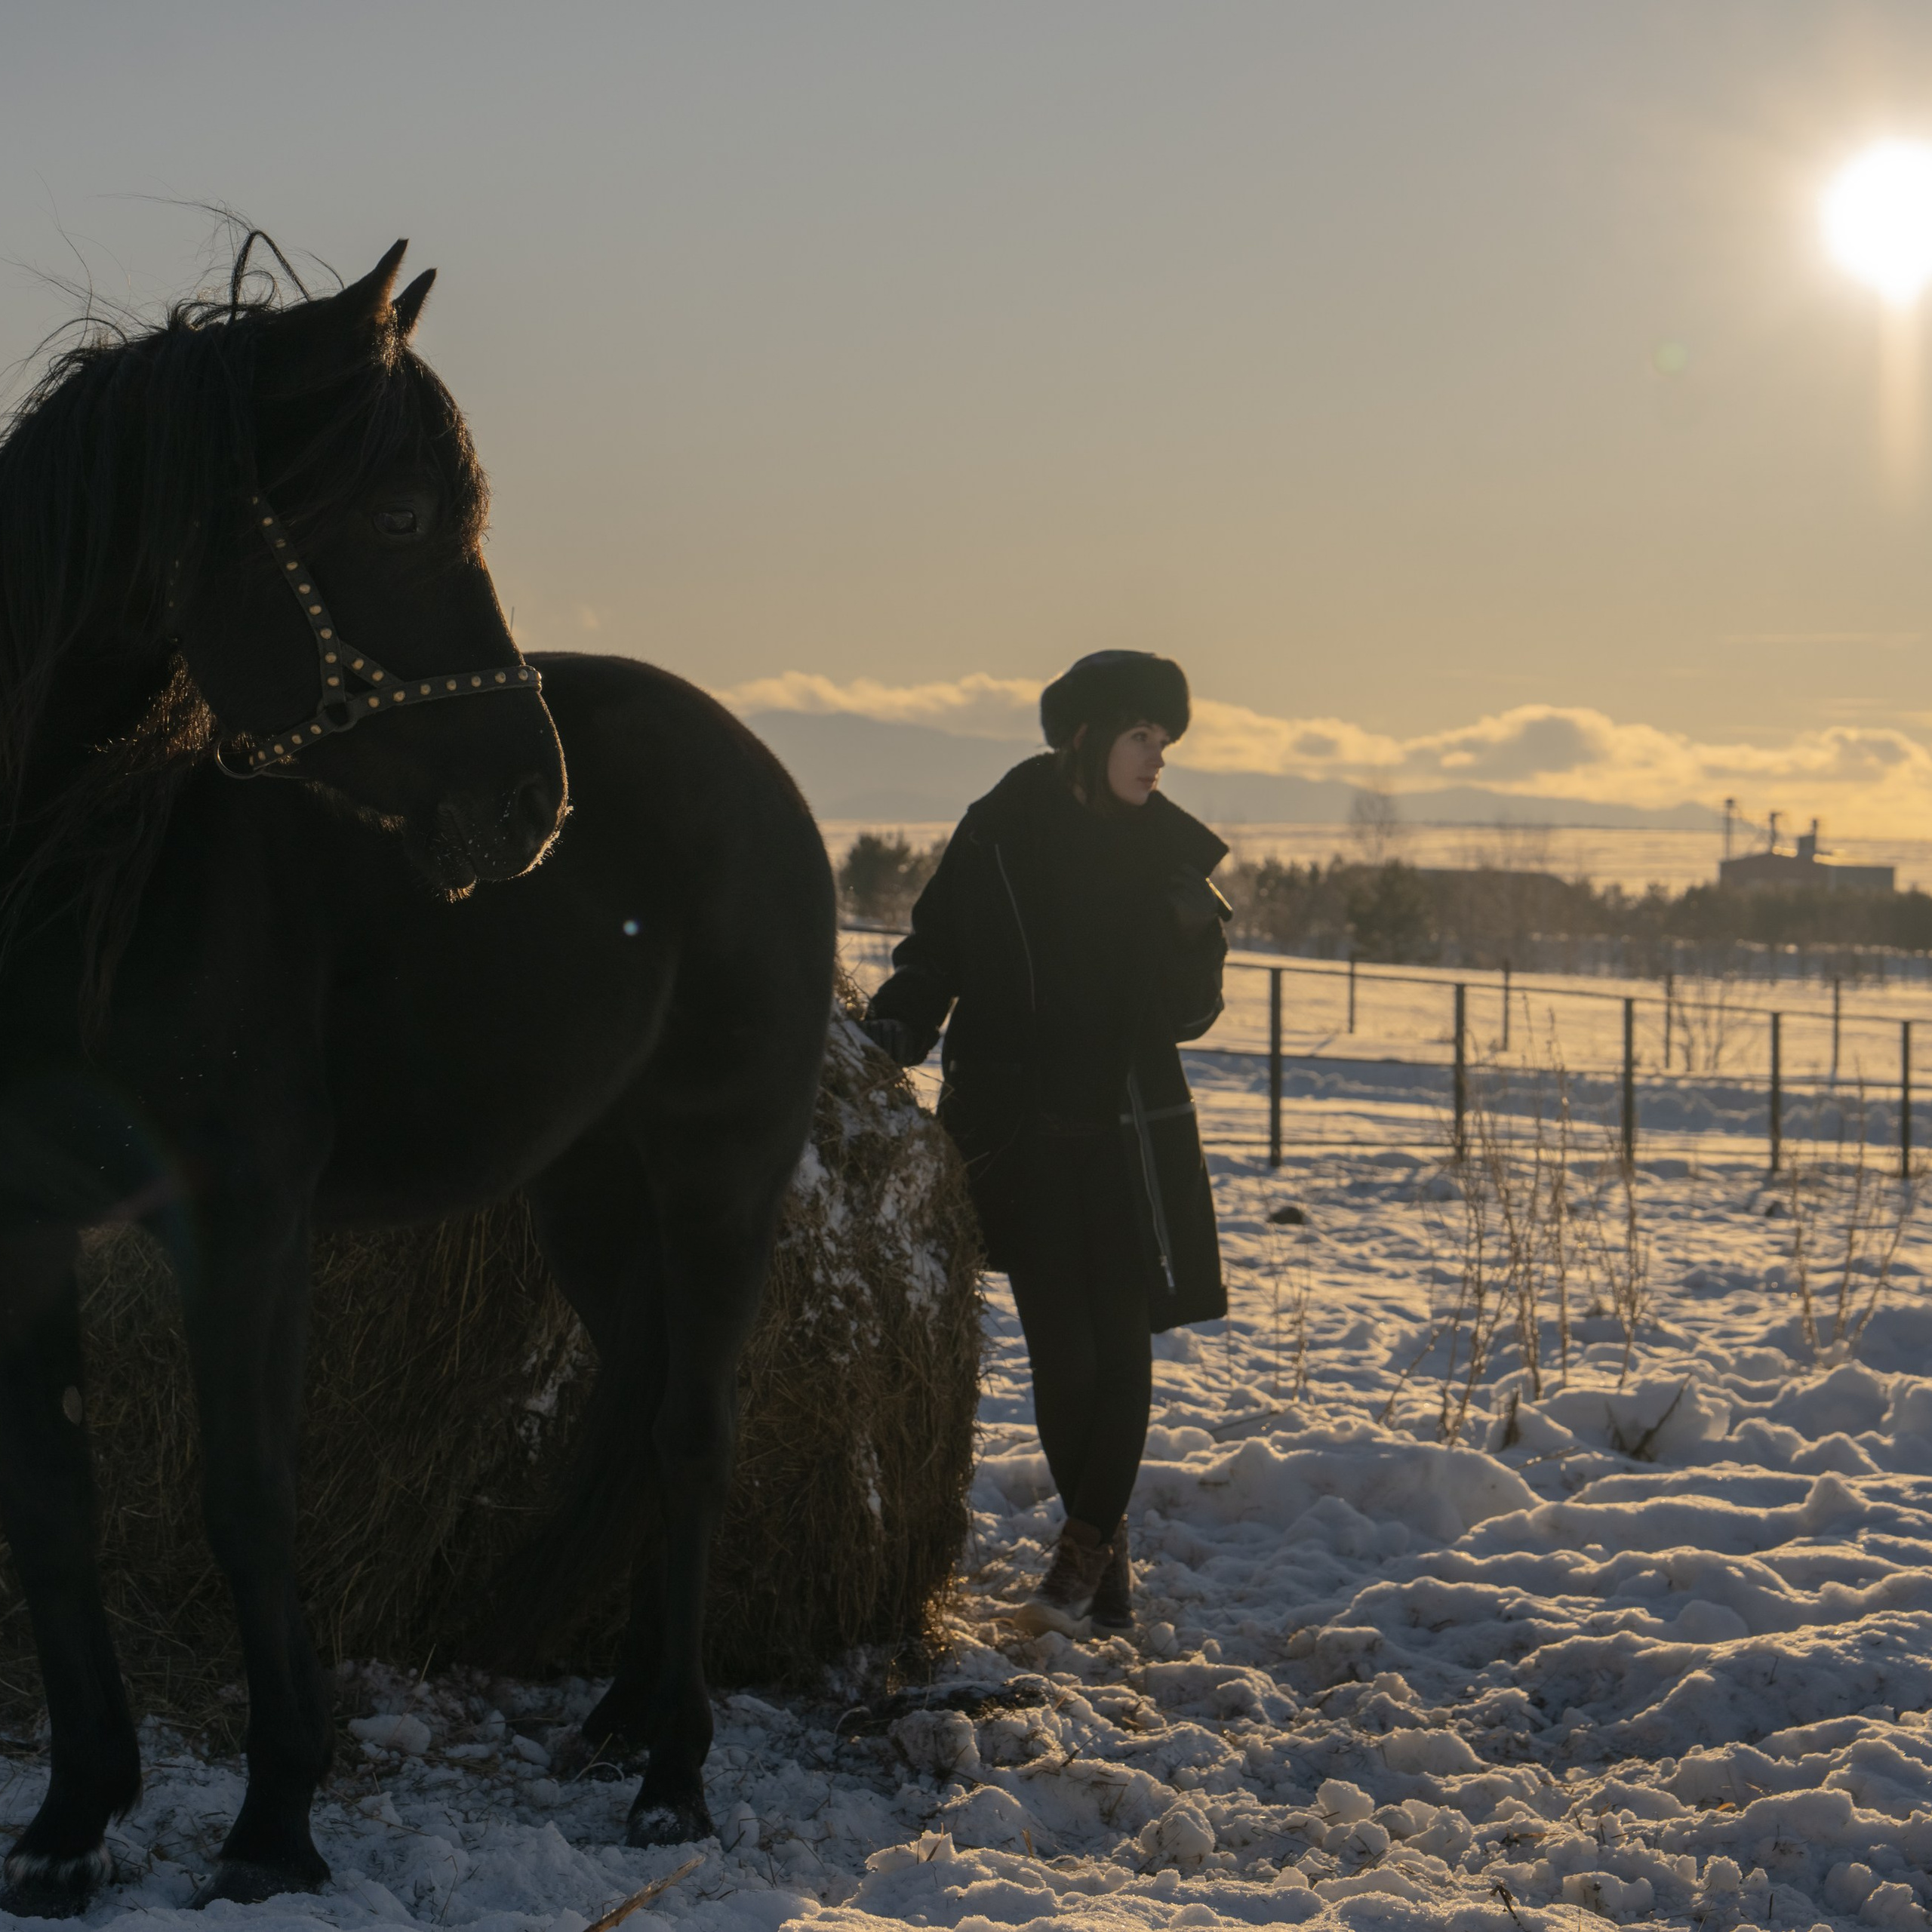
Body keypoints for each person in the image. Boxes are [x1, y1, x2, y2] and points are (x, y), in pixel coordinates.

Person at [860, 651, 1230, 1637]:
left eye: (1167, 743)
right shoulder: (998, 834)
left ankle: (1083, 1552)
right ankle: (1099, 1565)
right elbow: (935, 948)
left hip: (1124, 1142)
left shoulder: (1168, 860)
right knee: (1063, 1360)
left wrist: (1196, 941)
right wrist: (897, 1030)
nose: (1158, 760)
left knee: (1120, 1351)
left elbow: (1190, 1019)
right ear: (1088, 735)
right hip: (1017, 1135)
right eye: (1143, 737)